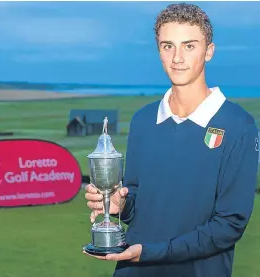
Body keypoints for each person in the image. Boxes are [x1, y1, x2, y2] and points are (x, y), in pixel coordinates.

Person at [84, 3, 259, 277]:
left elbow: (229, 226)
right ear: (159, 51)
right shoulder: (144, 120)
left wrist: (152, 252)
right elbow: (139, 200)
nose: (177, 57)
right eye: (168, 46)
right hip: (133, 270)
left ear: (209, 51)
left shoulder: (238, 125)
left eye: (189, 46)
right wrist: (119, 204)